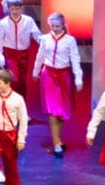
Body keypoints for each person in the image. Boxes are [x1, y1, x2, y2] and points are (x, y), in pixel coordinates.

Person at [34, 12, 83, 157]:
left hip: (64, 76)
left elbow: (75, 59)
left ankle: (57, 139)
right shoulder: (45, 39)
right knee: (53, 110)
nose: (54, 29)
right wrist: (35, 71)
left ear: (63, 25)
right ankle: (56, 144)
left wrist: (78, 78)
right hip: (48, 75)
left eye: (58, 26)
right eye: (52, 26)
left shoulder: (70, 40)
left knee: (62, 112)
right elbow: (40, 56)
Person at [0, 0, 40, 98]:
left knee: (22, 79)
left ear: (21, 8)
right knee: (14, 78)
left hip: (24, 53)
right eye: (12, 9)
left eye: (17, 8)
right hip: (10, 53)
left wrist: (44, 43)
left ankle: (21, 101)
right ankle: (11, 99)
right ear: (8, 9)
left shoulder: (28, 20)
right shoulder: (4, 22)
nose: (15, 11)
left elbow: (37, 35)